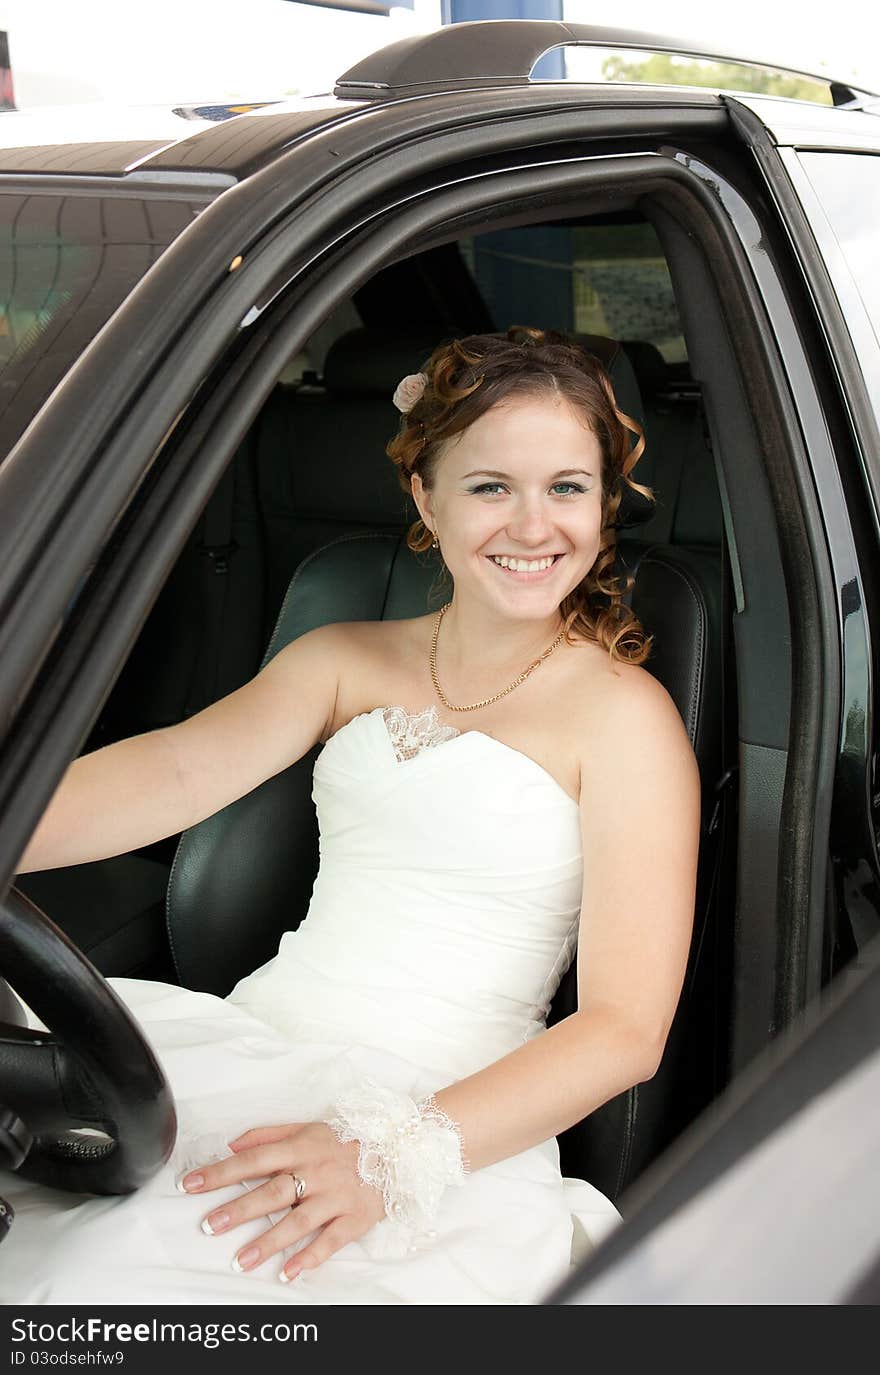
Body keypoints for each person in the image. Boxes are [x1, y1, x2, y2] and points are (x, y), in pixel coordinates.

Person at [0, 327, 700, 1305]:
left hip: (440, 1115)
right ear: (427, 496)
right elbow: (171, 773)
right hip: (248, 1045)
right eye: (491, 486)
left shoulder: (626, 718)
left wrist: (389, 1155)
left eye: (567, 488)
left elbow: (627, 1028)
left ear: (603, 502)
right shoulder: (345, 655)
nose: (534, 525)